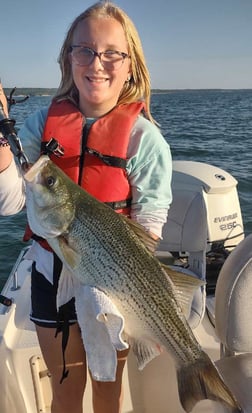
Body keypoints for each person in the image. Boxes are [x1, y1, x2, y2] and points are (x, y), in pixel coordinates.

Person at [0, 2, 172, 412]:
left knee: (108, 392)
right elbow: (11, 201)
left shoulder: (144, 140)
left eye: (112, 52)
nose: (98, 63)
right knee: (65, 390)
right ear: (68, 58)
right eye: (85, 50)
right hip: (49, 273)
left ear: (130, 65)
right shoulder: (41, 124)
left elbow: (149, 223)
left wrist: (109, 269)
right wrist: (4, 156)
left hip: (114, 284)